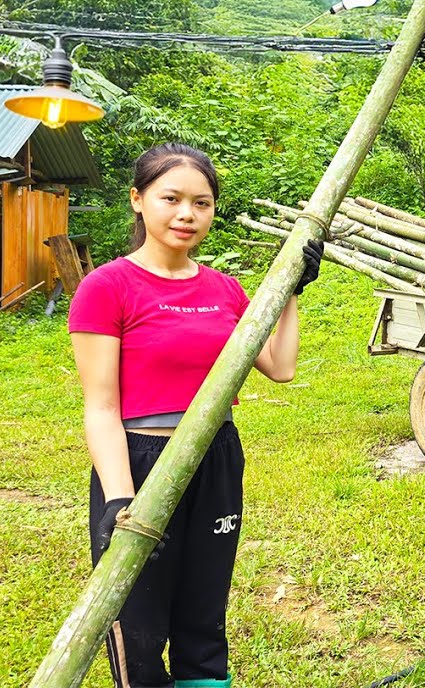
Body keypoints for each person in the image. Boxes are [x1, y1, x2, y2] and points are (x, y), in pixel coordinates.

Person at [68, 143, 323, 688]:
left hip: (216, 458)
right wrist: (119, 497)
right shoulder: (106, 287)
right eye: (171, 198)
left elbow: (279, 367)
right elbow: (101, 406)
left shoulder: (224, 289)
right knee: (135, 620)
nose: (187, 214)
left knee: (203, 615)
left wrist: (290, 291)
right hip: (142, 461)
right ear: (138, 201)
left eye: (201, 203)